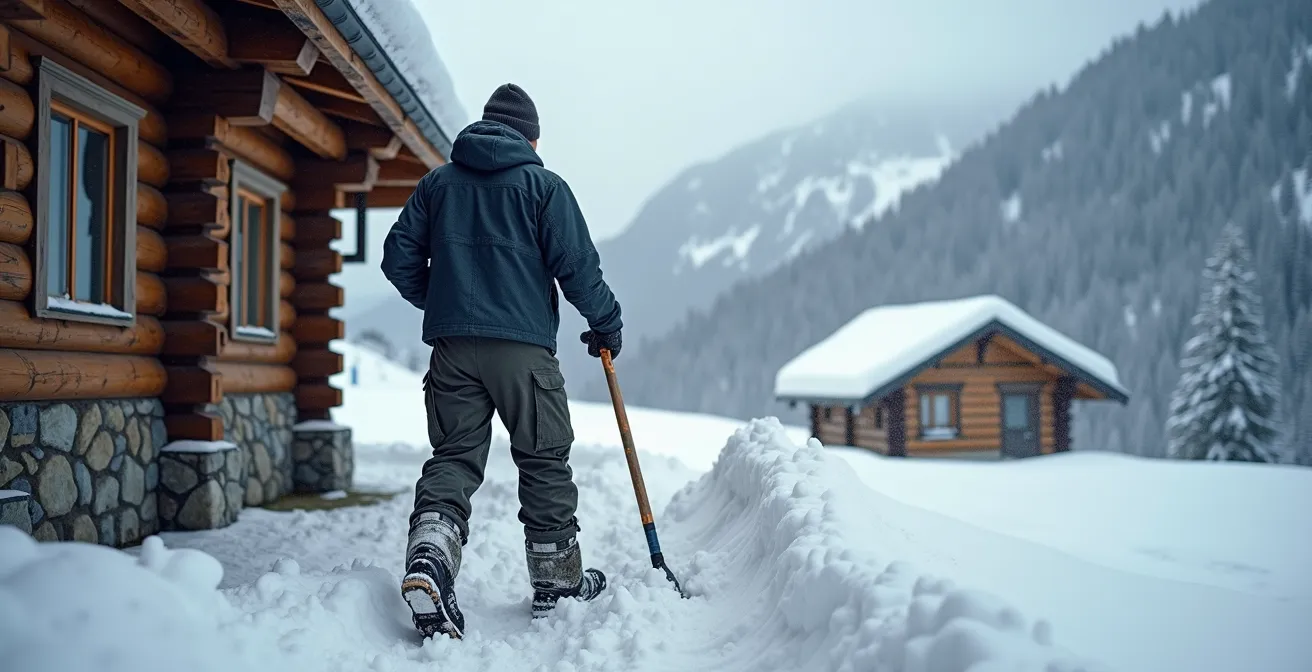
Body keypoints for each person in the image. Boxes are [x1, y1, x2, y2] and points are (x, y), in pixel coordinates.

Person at [380, 83, 624, 640]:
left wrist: (442, 301)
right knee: (543, 459)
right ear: (531, 138)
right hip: (524, 354)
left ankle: (430, 561)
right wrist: (605, 323)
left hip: (453, 352)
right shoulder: (543, 186)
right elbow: (579, 268)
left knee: (453, 457)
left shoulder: (438, 184)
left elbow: (398, 258)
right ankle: (557, 582)